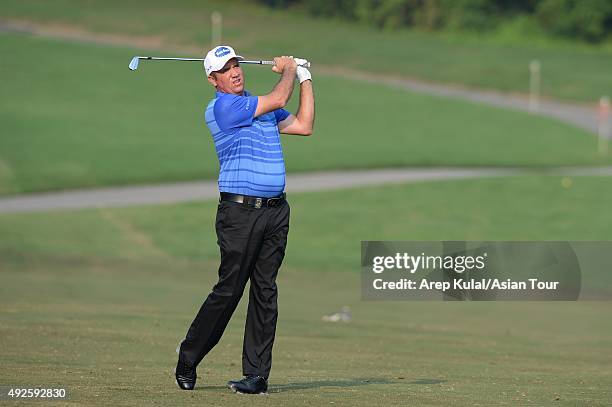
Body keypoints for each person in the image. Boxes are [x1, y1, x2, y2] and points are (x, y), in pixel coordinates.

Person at [175, 45, 315, 395]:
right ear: (213, 79)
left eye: (236, 64)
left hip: (275, 212)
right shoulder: (224, 107)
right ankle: (188, 357)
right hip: (239, 214)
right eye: (226, 69)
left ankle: (256, 375)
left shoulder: (261, 105)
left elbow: (304, 125)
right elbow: (278, 95)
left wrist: (305, 77)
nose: (235, 71)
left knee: (265, 291)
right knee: (230, 289)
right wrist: (287, 70)